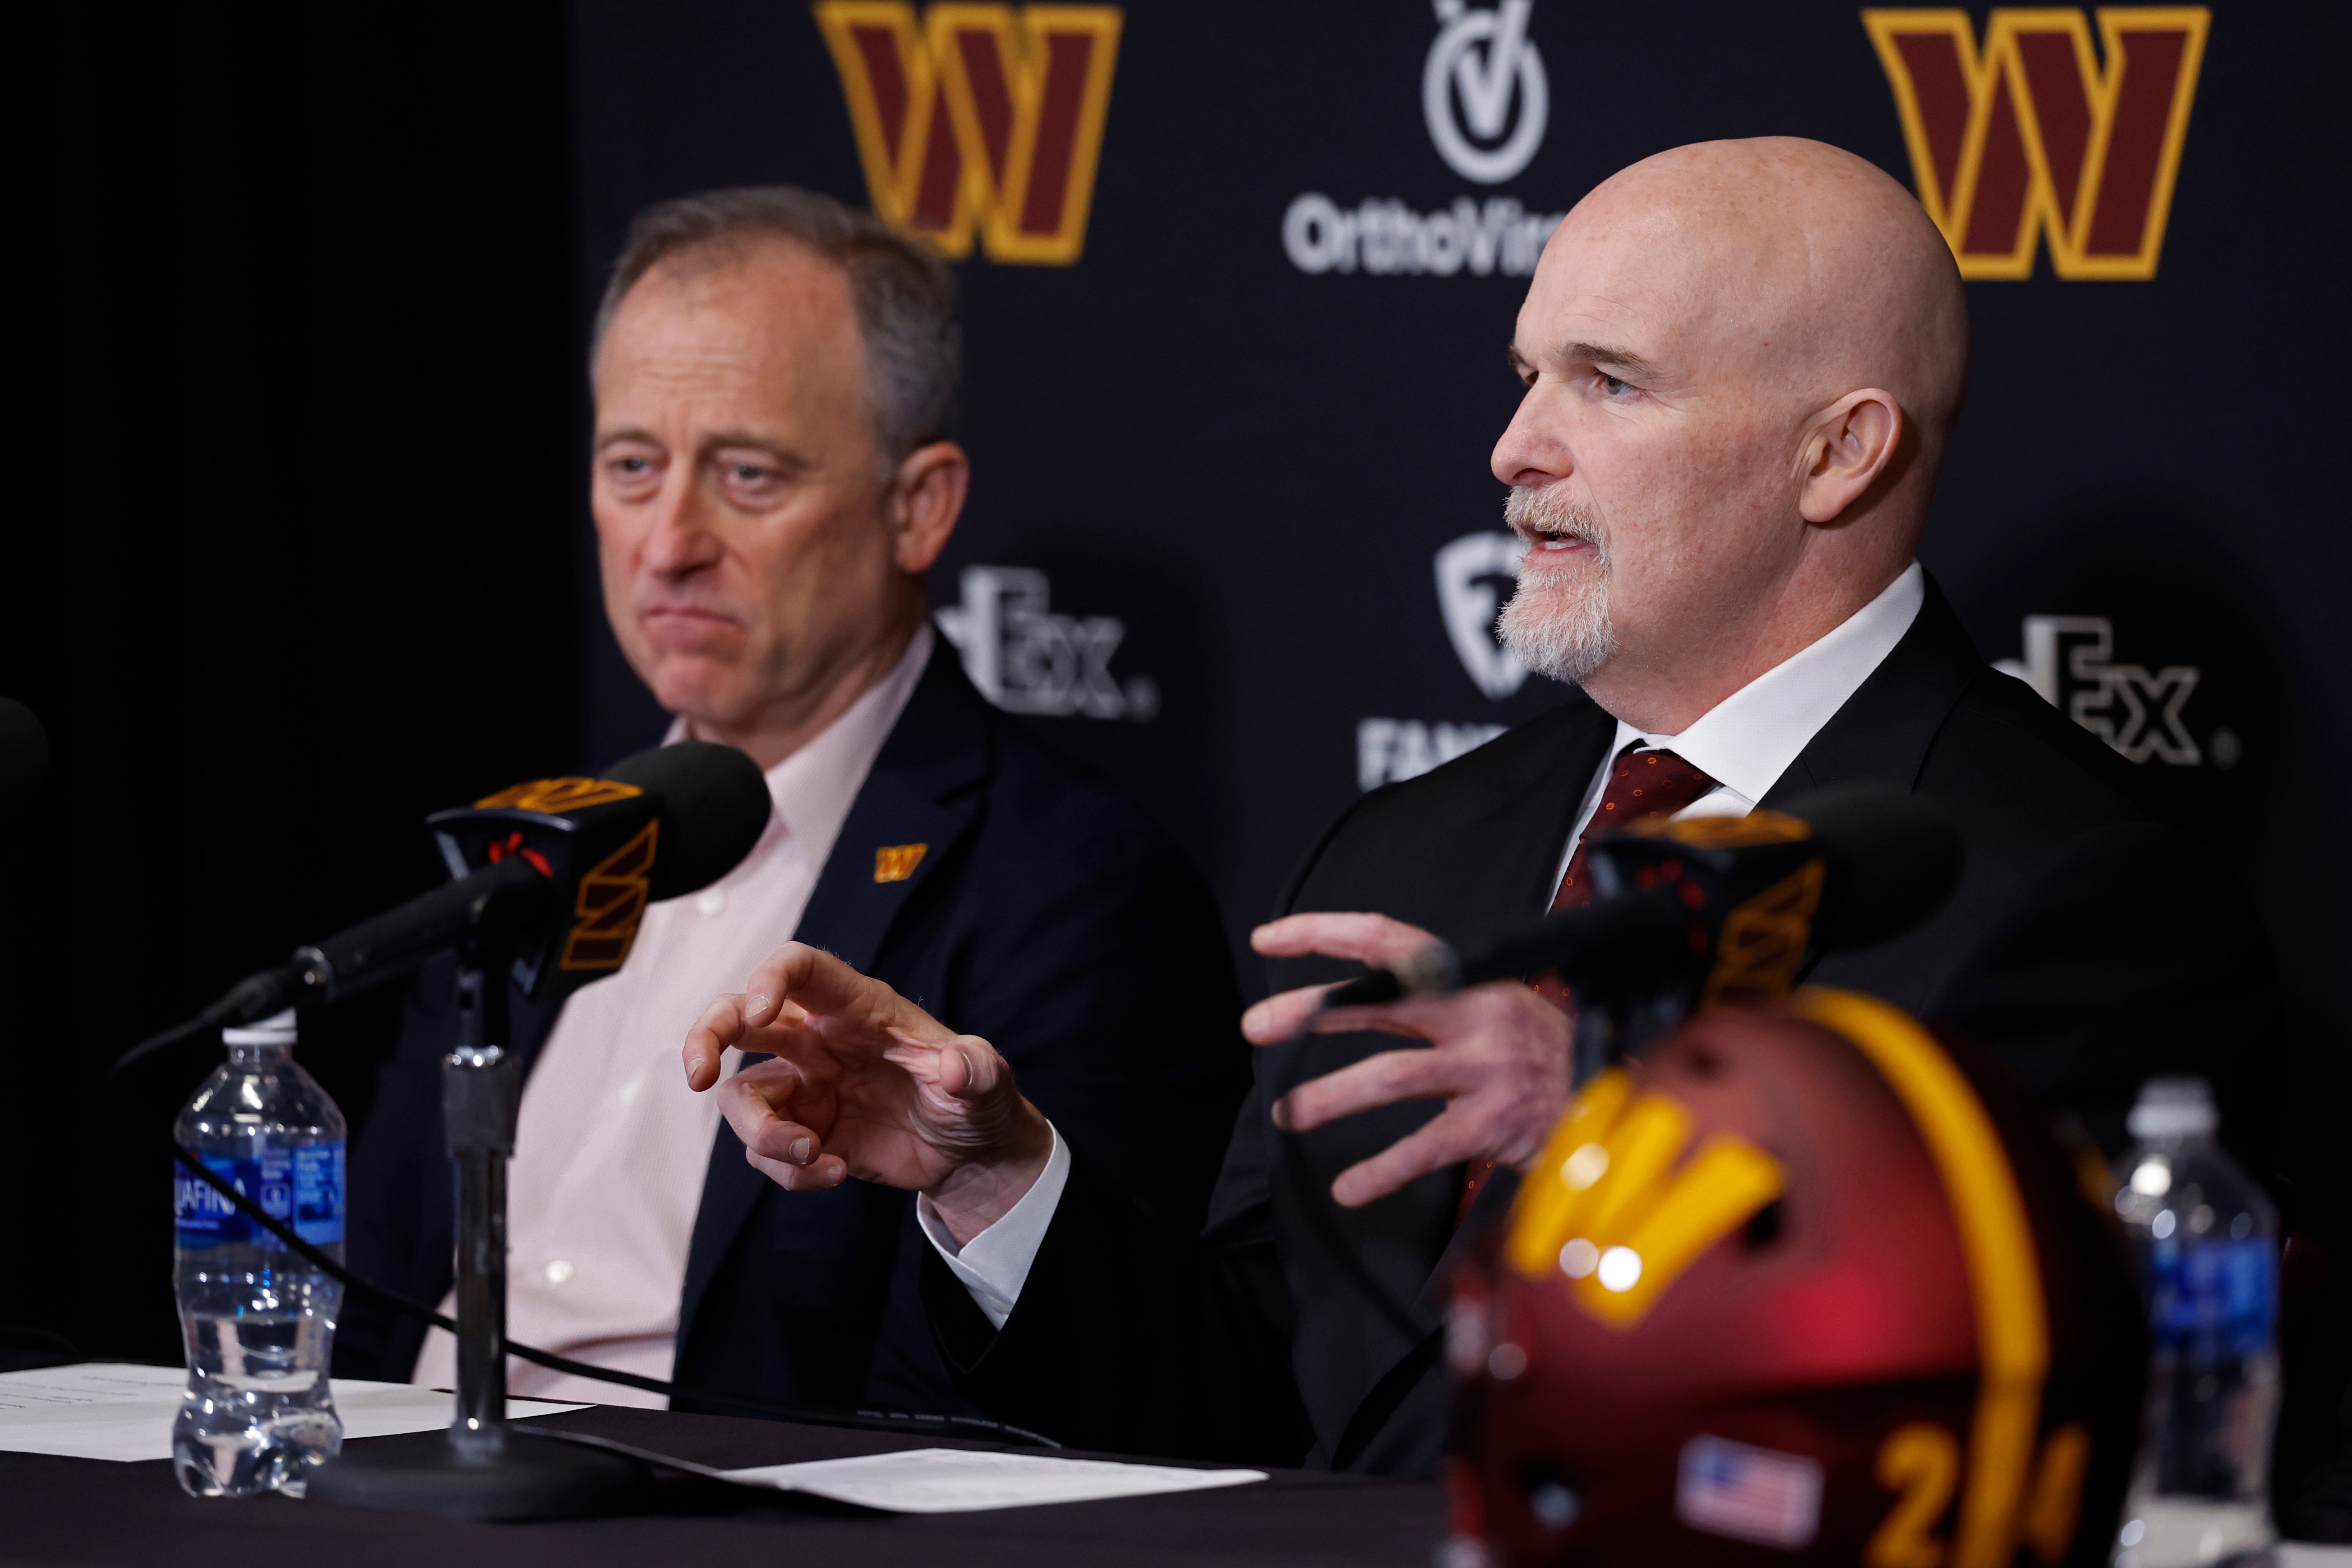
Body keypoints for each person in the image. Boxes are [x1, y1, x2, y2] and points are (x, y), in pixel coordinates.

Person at [679, 140, 2278, 1474]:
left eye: (1608, 383)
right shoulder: (1404, 847)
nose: (1513, 449)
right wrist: (996, 1177)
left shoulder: (2079, 891)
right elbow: (1240, 1403)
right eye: (1526, 377)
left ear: (1836, 454)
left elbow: (2013, 1428)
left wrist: (1624, 1130)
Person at [336, 187, 1248, 1417]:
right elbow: (368, 1301)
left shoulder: (1070, 888)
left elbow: (1044, 1406)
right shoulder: (532, 849)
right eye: (632, 466)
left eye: (747, 475)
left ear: (916, 507)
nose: (668, 542)